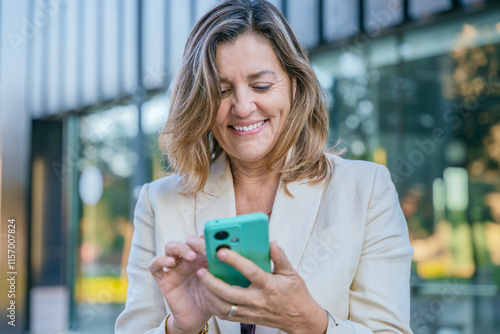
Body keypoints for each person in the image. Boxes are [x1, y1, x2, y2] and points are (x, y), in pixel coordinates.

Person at [115, 0, 414, 333]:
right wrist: (181, 327)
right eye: (222, 90)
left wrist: (313, 323)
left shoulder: (366, 188)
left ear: (295, 86)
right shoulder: (160, 202)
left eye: (261, 86)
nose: (242, 107)